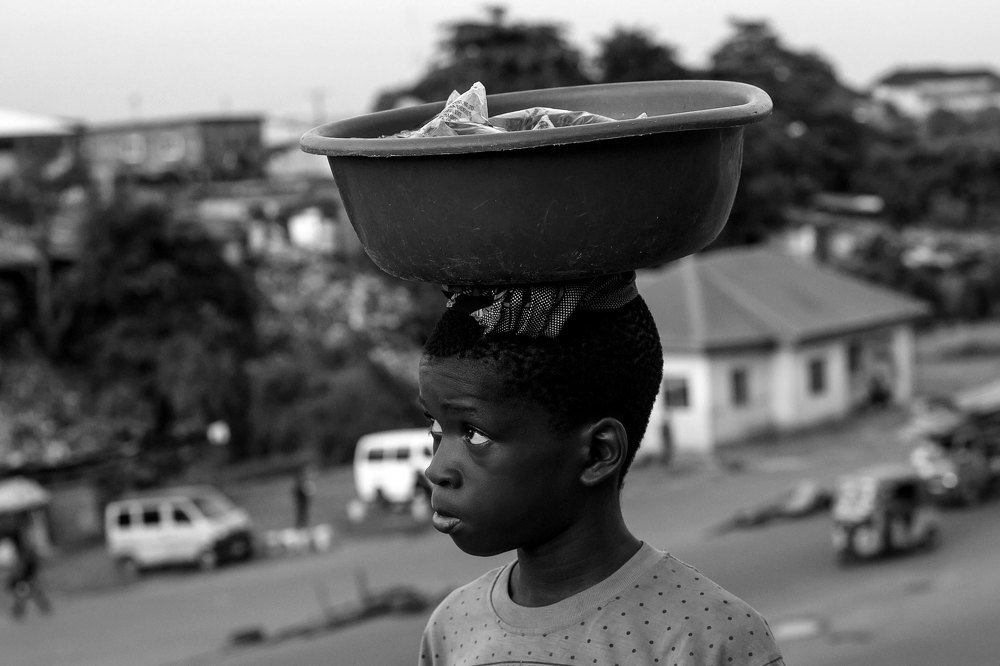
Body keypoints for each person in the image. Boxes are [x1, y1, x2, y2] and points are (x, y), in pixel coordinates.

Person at [417, 275, 784, 665]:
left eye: (474, 434)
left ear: (596, 453)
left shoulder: (708, 638)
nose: (436, 469)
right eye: (436, 429)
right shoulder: (451, 627)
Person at [6, 527, 51, 620]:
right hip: (23, 579)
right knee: (25, 595)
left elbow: (31, 569)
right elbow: (21, 571)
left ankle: (43, 607)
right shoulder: (25, 558)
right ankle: (18, 612)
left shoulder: (29, 558)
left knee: (31, 594)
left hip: (26, 579)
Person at [293, 463, 316, 529]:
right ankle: (302, 526)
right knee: (302, 512)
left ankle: (303, 526)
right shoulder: (301, 481)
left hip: (303, 497)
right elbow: (307, 490)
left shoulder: (303, 480)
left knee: (303, 512)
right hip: (301, 496)